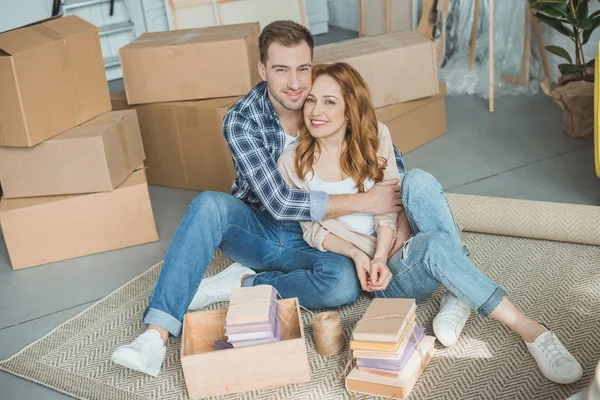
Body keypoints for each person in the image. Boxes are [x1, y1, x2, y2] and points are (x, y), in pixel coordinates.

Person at [111, 21, 409, 377]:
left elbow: (388, 161)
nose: (296, 83)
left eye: (303, 68)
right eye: (281, 70)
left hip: (326, 233)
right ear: (262, 69)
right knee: (209, 204)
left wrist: (397, 221)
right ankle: (153, 339)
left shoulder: (324, 97)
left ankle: (246, 284)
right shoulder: (241, 120)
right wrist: (366, 203)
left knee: (343, 284)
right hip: (264, 229)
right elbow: (280, 203)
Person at [276, 61, 583, 385]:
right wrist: (364, 257)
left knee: (418, 181)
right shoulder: (292, 162)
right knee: (436, 244)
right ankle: (519, 322)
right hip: (386, 279)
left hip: (394, 246)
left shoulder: (374, 135)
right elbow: (312, 228)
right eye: (311, 99)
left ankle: (482, 303)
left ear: (350, 109)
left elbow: (387, 204)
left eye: (329, 101)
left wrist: (383, 249)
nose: (315, 111)